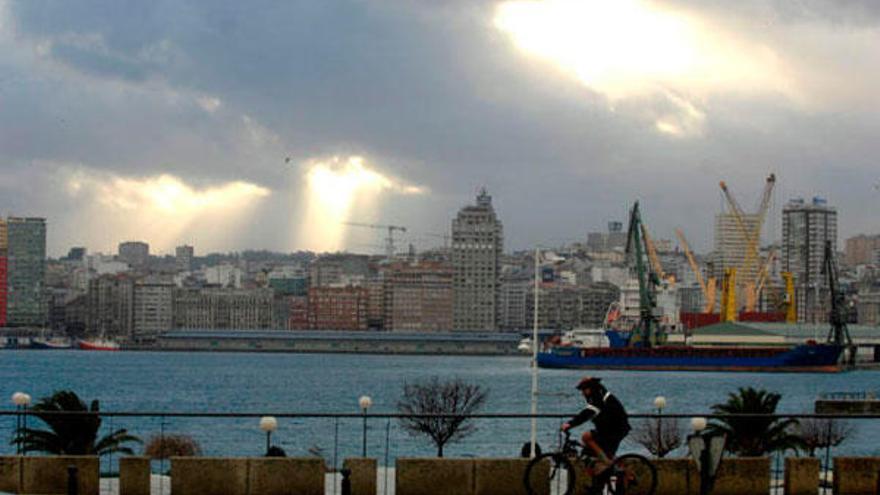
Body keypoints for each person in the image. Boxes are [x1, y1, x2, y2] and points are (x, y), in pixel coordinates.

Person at [560, 377, 630, 463]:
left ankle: (608, 463)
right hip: (613, 428)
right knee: (591, 454)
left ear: (590, 388)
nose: (582, 393)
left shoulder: (598, 397)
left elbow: (588, 412)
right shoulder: (601, 394)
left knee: (586, 437)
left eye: (584, 390)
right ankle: (614, 469)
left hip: (615, 429)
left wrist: (570, 424)